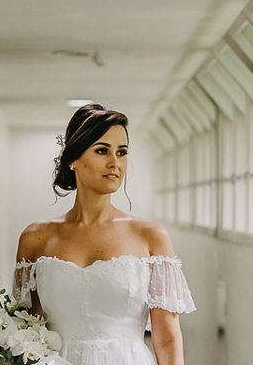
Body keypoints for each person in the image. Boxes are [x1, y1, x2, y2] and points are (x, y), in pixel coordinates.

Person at [12, 103, 196, 365]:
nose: (115, 163)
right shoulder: (35, 238)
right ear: (73, 159)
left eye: (122, 153)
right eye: (102, 151)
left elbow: (167, 337)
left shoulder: (150, 236)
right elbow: (26, 331)